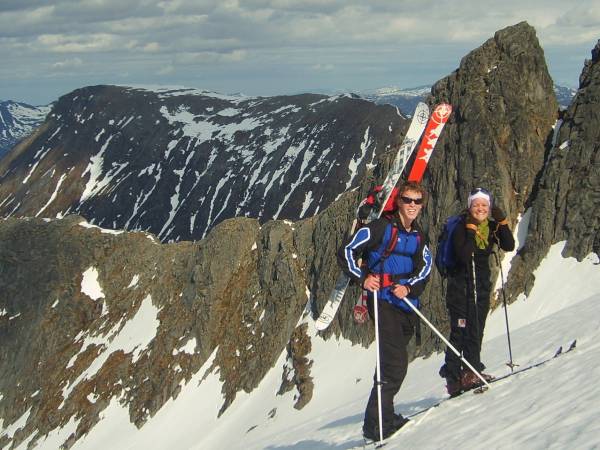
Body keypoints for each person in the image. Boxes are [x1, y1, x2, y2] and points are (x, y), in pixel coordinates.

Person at [338, 181, 432, 441]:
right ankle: (379, 425)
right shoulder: (381, 228)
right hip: (381, 300)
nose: (412, 205)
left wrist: (409, 288)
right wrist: (363, 277)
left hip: (405, 303)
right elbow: (347, 250)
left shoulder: (418, 235)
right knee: (394, 364)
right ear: (398, 201)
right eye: (407, 200)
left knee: (392, 362)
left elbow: (425, 266)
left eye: (417, 201)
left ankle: (380, 418)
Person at [439, 187, 515, 396]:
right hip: (460, 288)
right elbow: (464, 254)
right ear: (469, 206)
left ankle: (471, 370)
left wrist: (502, 223)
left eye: (484, 205)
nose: (480, 208)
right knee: (460, 330)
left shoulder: (491, 226)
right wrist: (471, 231)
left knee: (477, 327)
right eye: (476, 204)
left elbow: (508, 245)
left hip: (480, 285)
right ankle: (453, 377)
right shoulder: (461, 226)